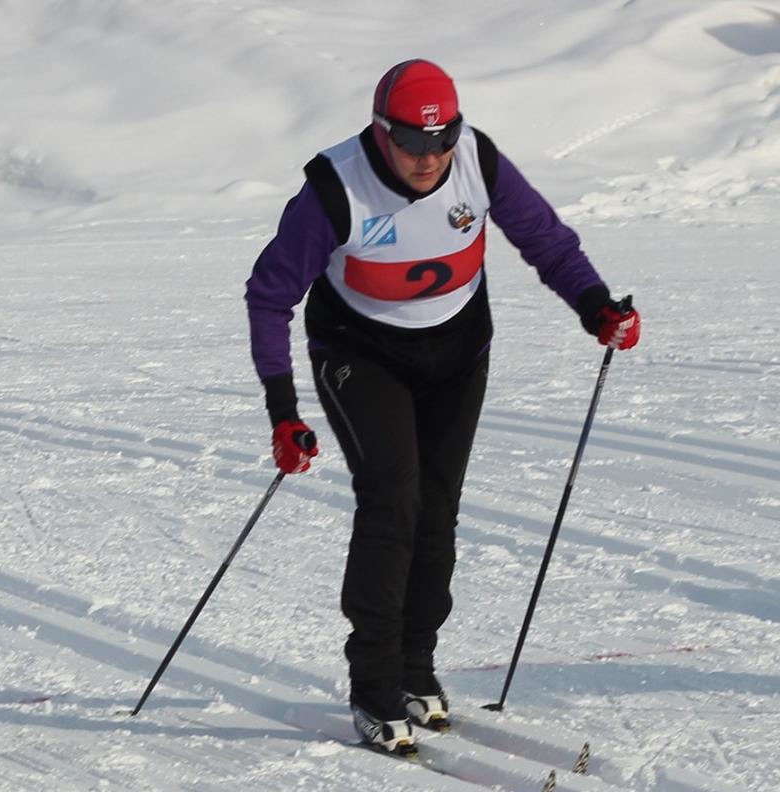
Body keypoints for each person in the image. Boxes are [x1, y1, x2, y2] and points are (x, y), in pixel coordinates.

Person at [243, 59, 641, 753]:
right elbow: (270, 295)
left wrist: (594, 304)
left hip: (456, 352)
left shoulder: (477, 161)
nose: (429, 159)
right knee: (392, 500)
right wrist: (283, 409)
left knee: (437, 506)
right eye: (412, 143)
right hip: (359, 352)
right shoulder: (335, 189)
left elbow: (543, 238)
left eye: (441, 141)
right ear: (380, 131)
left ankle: (415, 670)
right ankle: (373, 685)